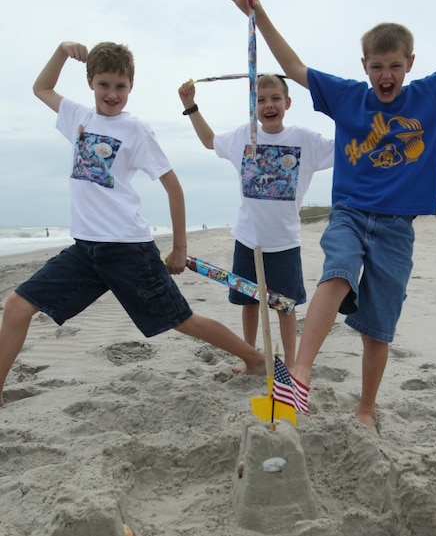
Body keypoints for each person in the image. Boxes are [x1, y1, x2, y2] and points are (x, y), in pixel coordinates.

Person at [222, 0, 436, 430]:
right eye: (377, 66)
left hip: (397, 227)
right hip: (351, 214)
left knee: (378, 324)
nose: (386, 75)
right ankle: (299, 373)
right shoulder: (348, 96)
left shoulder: (430, 93)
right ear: (364, 65)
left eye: (394, 65)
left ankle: (366, 408)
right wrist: (259, 15)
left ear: (409, 63)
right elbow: (293, 65)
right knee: (336, 272)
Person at [0, 41, 266, 407]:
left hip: (128, 249)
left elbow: (173, 187)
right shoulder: (78, 116)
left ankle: (254, 358)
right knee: (16, 305)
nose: (112, 94)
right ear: (90, 81)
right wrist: (62, 51)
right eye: (104, 85)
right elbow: (41, 88)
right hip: (85, 250)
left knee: (182, 320)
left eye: (120, 86)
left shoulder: (136, 130)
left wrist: (180, 247)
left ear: (131, 87)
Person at [178, 74, 333, 369]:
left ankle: (290, 361)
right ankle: (250, 355)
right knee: (248, 301)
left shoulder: (304, 140)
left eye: (275, 98)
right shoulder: (242, 137)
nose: (268, 105)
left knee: (285, 307)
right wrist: (191, 106)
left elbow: (346, 148)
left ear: (287, 103)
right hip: (248, 239)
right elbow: (210, 141)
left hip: (285, 242)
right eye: (260, 100)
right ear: (253, 106)